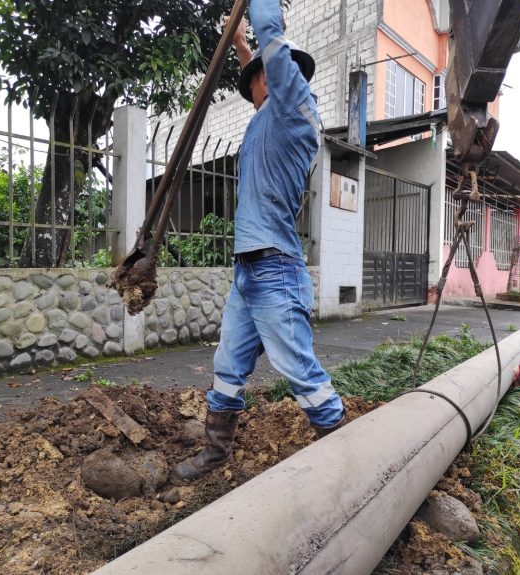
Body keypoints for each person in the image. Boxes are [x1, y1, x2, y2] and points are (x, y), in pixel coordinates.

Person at [174, 0, 346, 481]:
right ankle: (216, 450)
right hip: (247, 271)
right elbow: (259, 54)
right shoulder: (267, 117)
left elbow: (271, 29)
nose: (253, 83)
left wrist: (258, 15)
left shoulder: (293, 109)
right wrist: (238, 45)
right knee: (227, 362)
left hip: (275, 268)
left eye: (257, 74)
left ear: (271, 77)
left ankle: (350, 453)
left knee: (299, 370)